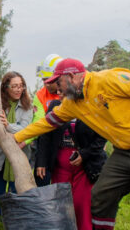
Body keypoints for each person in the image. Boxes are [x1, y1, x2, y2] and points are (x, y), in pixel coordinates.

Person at [14, 58, 130, 230]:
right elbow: (48, 122)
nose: (56, 88)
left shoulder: (107, 80)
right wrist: (17, 138)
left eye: (59, 82)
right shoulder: (72, 103)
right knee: (99, 199)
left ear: (72, 76)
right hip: (123, 153)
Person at [37, 97, 107, 230]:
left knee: (81, 205)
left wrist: (84, 154)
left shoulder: (91, 105)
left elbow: (102, 136)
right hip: (60, 168)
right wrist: (42, 161)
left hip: (85, 168)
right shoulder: (55, 105)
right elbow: (45, 134)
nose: (58, 92)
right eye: (58, 89)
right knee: (61, 204)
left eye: (62, 87)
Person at [0, 71, 33, 225]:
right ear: (6, 88)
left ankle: (15, 225)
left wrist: (7, 125)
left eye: (21, 86)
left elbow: (26, 129)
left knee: (16, 195)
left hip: (19, 159)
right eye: (14, 86)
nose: (19, 89)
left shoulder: (28, 105)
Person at [33, 54, 62, 186]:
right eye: (44, 79)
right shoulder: (40, 95)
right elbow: (40, 124)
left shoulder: (72, 93)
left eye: (49, 79)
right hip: (46, 145)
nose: (45, 83)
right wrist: (41, 161)